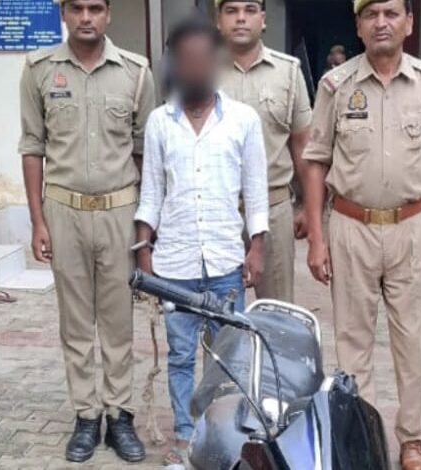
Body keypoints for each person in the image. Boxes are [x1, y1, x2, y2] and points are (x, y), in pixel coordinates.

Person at [302, 0, 421, 469]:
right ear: (358, 25)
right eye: (371, 15)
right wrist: (316, 238)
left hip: (410, 227)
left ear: (409, 23)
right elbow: (316, 162)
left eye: (391, 13)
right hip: (350, 227)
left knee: (412, 342)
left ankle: (413, 440)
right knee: (353, 344)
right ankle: (364, 441)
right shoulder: (335, 85)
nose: (382, 23)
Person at [18, 0, 155, 463]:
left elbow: (144, 152)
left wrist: (144, 226)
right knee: (75, 322)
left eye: (96, 8)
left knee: (118, 322)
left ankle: (120, 416)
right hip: (64, 210)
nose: (86, 17)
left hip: (119, 211)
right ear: (63, 12)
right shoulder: (38, 70)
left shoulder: (136, 73)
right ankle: (86, 416)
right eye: (76, 7)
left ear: (108, 14)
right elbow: (32, 147)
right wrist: (37, 220)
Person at [134, 15, 268, 467]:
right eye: (185, 58)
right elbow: (151, 192)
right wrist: (144, 250)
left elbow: (256, 191)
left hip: (226, 261)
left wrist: (256, 247)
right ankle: (184, 438)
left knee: (228, 360)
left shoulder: (243, 120)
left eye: (203, 58)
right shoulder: (159, 122)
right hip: (174, 265)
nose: (195, 67)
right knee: (180, 356)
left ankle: (225, 443)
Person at [216, 0, 312, 303]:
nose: (240, 18)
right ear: (218, 21)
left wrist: (308, 206)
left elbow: (302, 144)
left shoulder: (288, 72)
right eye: (231, 11)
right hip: (217, 214)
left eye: (249, 10)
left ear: (263, 19)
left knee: (276, 312)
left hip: (274, 210)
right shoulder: (201, 71)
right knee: (217, 314)